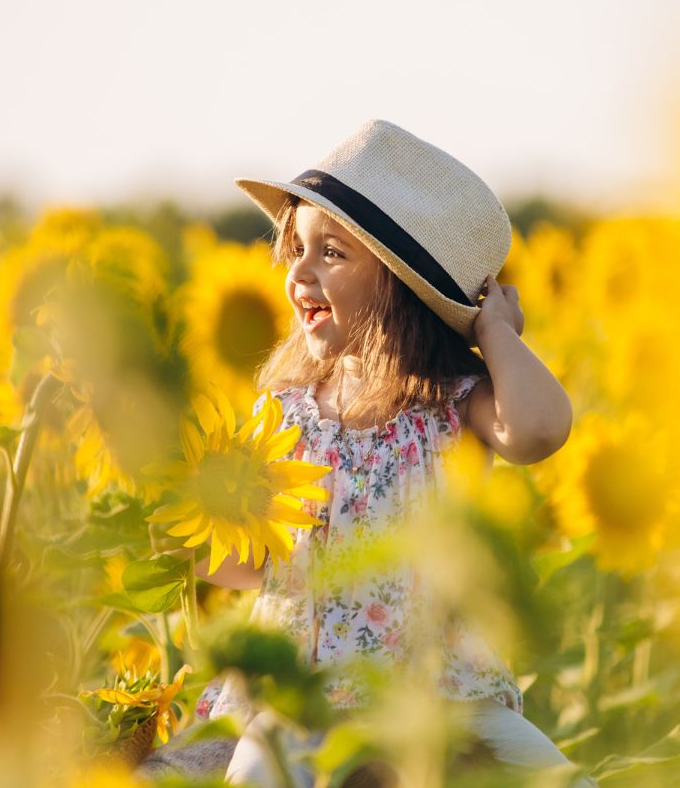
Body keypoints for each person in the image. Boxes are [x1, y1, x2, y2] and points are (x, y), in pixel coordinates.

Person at [137, 119, 593, 787]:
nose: (299, 271)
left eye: (332, 253)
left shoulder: (453, 402)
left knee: (562, 781)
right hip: (303, 694)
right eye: (296, 247)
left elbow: (540, 431)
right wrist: (192, 533)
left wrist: (494, 330)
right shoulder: (287, 413)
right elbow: (258, 560)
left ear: (402, 287)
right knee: (253, 776)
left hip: (441, 692)